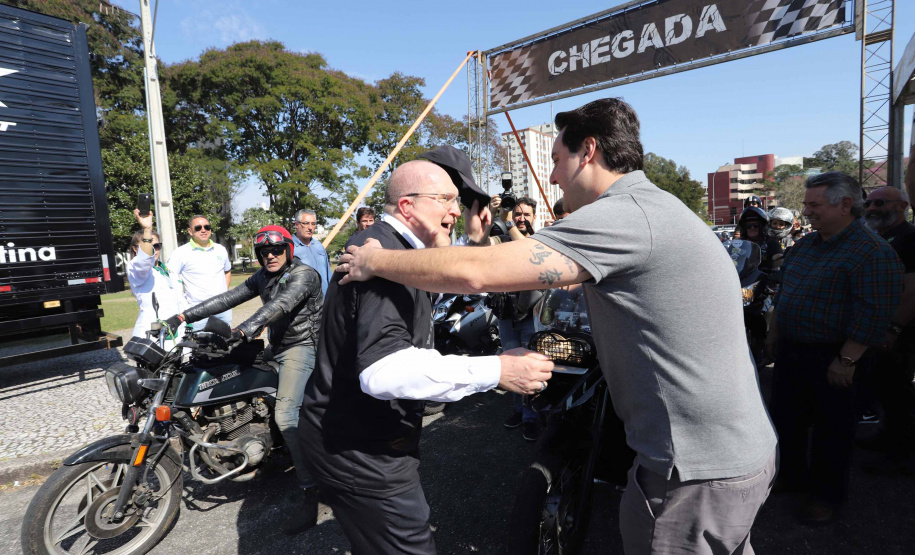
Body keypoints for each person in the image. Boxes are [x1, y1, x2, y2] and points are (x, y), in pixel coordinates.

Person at [339, 98, 778, 554]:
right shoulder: (653, 208)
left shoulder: (624, 213)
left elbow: (477, 271)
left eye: (556, 160)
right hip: (731, 454)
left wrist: (376, 259)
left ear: (588, 151)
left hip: (694, 470)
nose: (551, 177)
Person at [298, 155, 554, 555]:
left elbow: (451, 286)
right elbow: (382, 371)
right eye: (447, 199)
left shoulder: (400, 250)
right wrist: (497, 369)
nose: (457, 210)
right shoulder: (381, 254)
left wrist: (463, 244)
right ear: (408, 205)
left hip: (368, 439)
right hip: (360, 449)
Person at [164, 225, 324, 535]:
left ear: (289, 250)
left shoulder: (303, 275)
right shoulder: (263, 276)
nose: (271, 255)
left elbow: (278, 306)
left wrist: (242, 331)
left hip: (304, 347)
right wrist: (183, 316)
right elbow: (229, 297)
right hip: (277, 347)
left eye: (277, 250)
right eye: (264, 252)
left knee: (287, 413)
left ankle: (311, 492)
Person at [767, 172, 903, 524]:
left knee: (833, 431)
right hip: (794, 351)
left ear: (844, 205)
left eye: (814, 204)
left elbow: (874, 311)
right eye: (807, 204)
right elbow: (786, 293)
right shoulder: (807, 245)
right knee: (787, 420)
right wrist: (775, 329)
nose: (806, 211)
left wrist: (846, 360)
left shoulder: (871, 252)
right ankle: (792, 477)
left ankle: (825, 497)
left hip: (835, 356)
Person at [859, 186, 915, 473]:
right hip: (878, 329)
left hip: (898, 332)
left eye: (879, 202)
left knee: (898, 390)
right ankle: (888, 438)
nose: (871, 208)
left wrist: (893, 329)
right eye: (868, 203)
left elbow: (912, 290)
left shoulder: (909, 238)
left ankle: (900, 455)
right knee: (883, 387)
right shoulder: (879, 237)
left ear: (903, 205)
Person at [493, 196, 543, 440]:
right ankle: (519, 410)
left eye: (526, 214)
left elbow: (527, 250)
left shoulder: (540, 239)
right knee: (512, 364)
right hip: (506, 315)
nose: (521, 218)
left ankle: (531, 416)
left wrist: (509, 223)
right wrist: (488, 216)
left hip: (531, 315)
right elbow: (478, 246)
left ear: (535, 217)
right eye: (517, 213)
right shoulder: (502, 237)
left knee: (531, 366)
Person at [126, 209, 185, 346]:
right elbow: (145, 259)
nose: (154, 250)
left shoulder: (168, 270)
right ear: (136, 249)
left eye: (157, 246)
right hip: (153, 335)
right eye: (148, 246)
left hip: (176, 332)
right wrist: (147, 229)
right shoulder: (137, 267)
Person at [166, 215, 232, 328]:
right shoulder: (180, 253)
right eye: (198, 227)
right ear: (190, 231)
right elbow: (168, 277)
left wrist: (223, 294)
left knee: (226, 343)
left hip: (223, 309)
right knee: (200, 344)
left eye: (207, 227)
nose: (203, 230)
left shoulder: (220, 249)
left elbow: (227, 271)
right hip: (197, 311)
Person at [291, 209, 332, 297]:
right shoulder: (289, 247)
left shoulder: (318, 246)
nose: (310, 227)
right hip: (304, 306)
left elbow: (328, 274)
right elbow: (283, 279)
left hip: (325, 302)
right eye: (306, 223)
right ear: (297, 225)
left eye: (313, 224)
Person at [737, 206, 783, 271]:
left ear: (763, 227)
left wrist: (778, 260)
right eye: (748, 226)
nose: (752, 228)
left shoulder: (772, 242)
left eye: (756, 225)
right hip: (740, 278)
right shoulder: (738, 244)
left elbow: (778, 258)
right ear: (744, 228)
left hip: (764, 279)